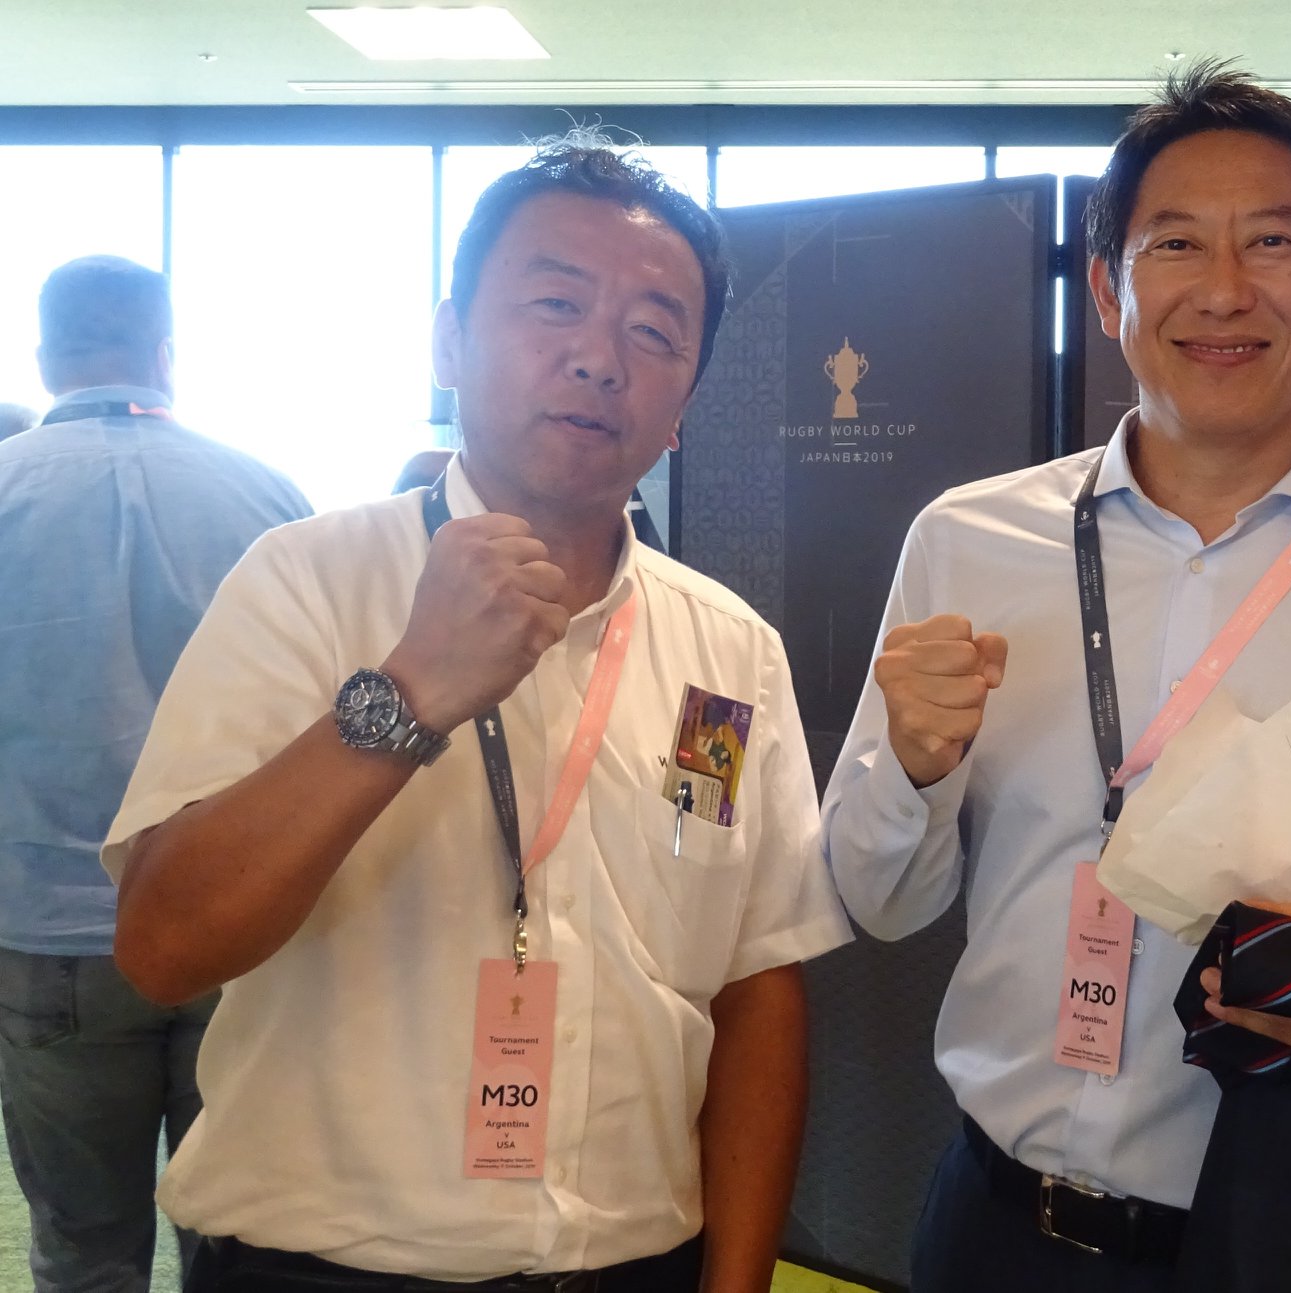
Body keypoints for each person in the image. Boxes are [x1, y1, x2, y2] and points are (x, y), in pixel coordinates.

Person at [821, 64, 1291, 1292]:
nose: (1223, 289)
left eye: (1272, 241)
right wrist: (906, 768)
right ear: (1106, 288)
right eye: (1173, 242)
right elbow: (878, 901)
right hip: (993, 1225)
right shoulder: (965, 543)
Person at [104, 135, 851, 1293]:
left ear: (685, 403)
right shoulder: (305, 582)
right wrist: (408, 694)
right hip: (323, 1271)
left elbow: (756, 986)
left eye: (654, 331)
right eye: (555, 303)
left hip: (633, 1267)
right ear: (449, 341)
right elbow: (164, 949)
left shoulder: (728, 651)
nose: (598, 357)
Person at [0, 254, 311, 1292]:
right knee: (244, 1239)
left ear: (45, 358)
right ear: (168, 354)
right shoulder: (270, 497)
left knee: (82, 1247)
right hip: (239, 924)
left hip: (49, 930)